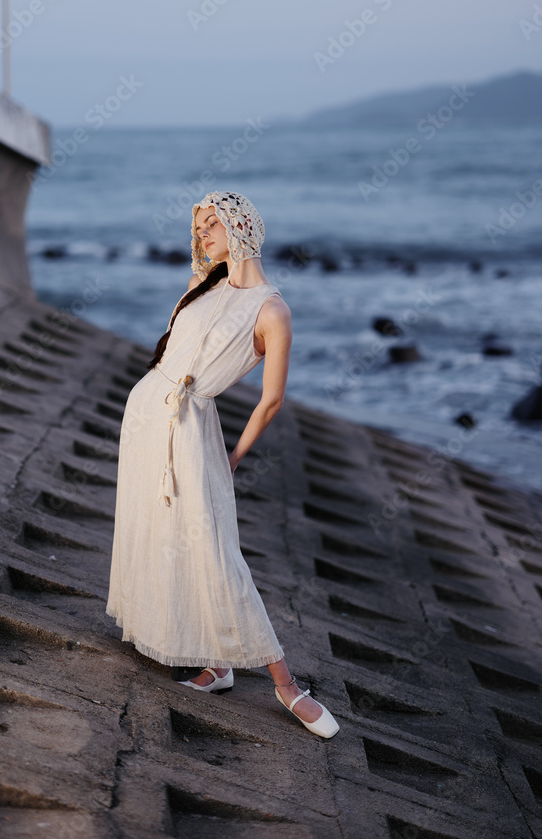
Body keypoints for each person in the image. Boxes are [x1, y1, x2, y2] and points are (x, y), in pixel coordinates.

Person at [106, 191, 339, 738]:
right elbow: (168, 358)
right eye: (198, 227)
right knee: (159, 533)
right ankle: (220, 666)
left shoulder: (271, 310)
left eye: (212, 223)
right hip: (144, 419)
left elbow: (271, 400)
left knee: (213, 549)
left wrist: (233, 456)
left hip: (191, 430)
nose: (202, 234)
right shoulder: (200, 286)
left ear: (240, 225)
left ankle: (286, 686)